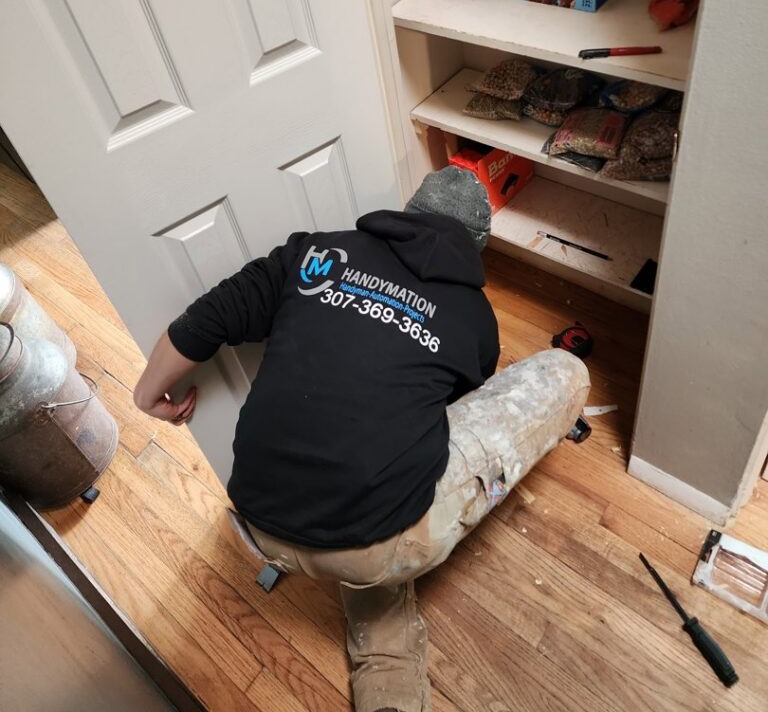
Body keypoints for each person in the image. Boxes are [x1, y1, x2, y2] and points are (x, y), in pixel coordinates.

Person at [134, 167, 590, 712]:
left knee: (382, 465)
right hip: (377, 545)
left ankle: (386, 671)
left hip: (256, 517)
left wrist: (146, 396)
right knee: (564, 373)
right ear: (476, 249)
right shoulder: (475, 319)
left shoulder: (315, 255)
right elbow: (460, 405)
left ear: (407, 215)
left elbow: (207, 317)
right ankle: (380, 638)